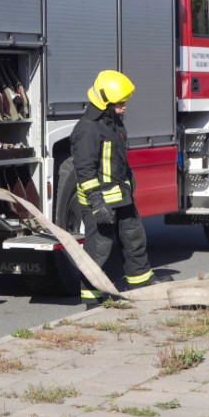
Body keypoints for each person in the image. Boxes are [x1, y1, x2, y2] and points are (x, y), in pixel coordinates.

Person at [71, 70, 171, 308]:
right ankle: (93, 300)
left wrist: (129, 181)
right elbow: (85, 170)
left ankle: (141, 284)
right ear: (104, 102)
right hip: (100, 203)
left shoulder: (113, 123)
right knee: (99, 251)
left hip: (121, 198)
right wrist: (97, 202)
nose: (124, 106)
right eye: (119, 103)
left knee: (134, 239)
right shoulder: (87, 130)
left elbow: (117, 159)